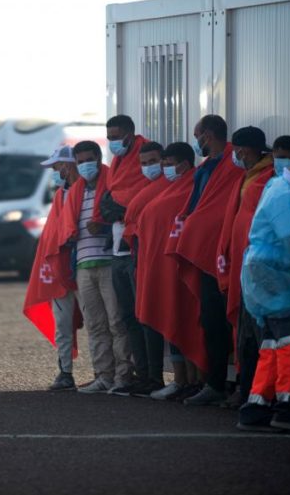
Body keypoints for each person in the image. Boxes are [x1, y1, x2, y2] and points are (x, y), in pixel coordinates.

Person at [237, 137, 290, 432]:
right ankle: (287, 404)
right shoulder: (287, 192)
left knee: (272, 342)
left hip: (263, 272)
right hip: (279, 274)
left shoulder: (277, 186)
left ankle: (257, 404)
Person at [167, 115, 245, 406]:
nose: (196, 141)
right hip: (206, 252)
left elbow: (224, 205)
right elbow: (199, 204)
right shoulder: (205, 168)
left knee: (231, 321)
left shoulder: (233, 163)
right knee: (211, 321)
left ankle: (233, 384)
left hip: (225, 253)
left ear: (208, 135)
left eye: (197, 135)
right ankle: (215, 381)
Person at [54, 141, 133, 394]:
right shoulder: (74, 192)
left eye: (89, 159)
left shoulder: (114, 184)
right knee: (96, 324)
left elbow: (126, 217)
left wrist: (106, 227)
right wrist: (69, 235)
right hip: (83, 265)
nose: (85, 165)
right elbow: (65, 229)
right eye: (80, 161)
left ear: (99, 159)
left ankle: (123, 377)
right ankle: (103, 376)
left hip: (110, 262)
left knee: (117, 322)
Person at [134, 142, 206, 401]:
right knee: (174, 320)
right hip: (164, 267)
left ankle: (199, 380)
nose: (163, 169)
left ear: (184, 164)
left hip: (187, 266)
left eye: (167, 164)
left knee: (191, 323)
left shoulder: (195, 187)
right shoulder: (168, 190)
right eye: (162, 164)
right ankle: (182, 380)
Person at [215, 126, 275, 408]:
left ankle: (258, 393)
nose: (234, 155)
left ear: (243, 150)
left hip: (259, 268)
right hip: (245, 266)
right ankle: (247, 387)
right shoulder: (249, 176)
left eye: (236, 150)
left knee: (259, 335)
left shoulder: (267, 177)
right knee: (245, 334)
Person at [110, 141, 170, 397]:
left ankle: (155, 377)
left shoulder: (166, 188)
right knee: (130, 318)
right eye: (144, 164)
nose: (149, 168)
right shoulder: (136, 189)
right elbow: (113, 209)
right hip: (123, 255)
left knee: (147, 318)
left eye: (153, 162)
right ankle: (143, 374)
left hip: (146, 259)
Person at [23, 146, 81, 391]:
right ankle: (65, 373)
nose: (56, 172)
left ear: (68, 165)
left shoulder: (88, 190)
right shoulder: (60, 195)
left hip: (86, 264)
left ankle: (109, 374)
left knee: (104, 323)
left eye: (58, 167)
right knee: (63, 324)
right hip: (61, 269)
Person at [99, 115, 150, 393]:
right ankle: (137, 376)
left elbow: (146, 192)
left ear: (130, 133)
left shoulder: (146, 153)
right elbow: (115, 193)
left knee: (142, 315)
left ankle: (151, 376)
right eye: (109, 138)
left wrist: (121, 205)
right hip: (118, 246)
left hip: (137, 245)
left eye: (117, 137)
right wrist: (115, 204)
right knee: (127, 316)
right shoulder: (118, 161)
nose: (113, 143)